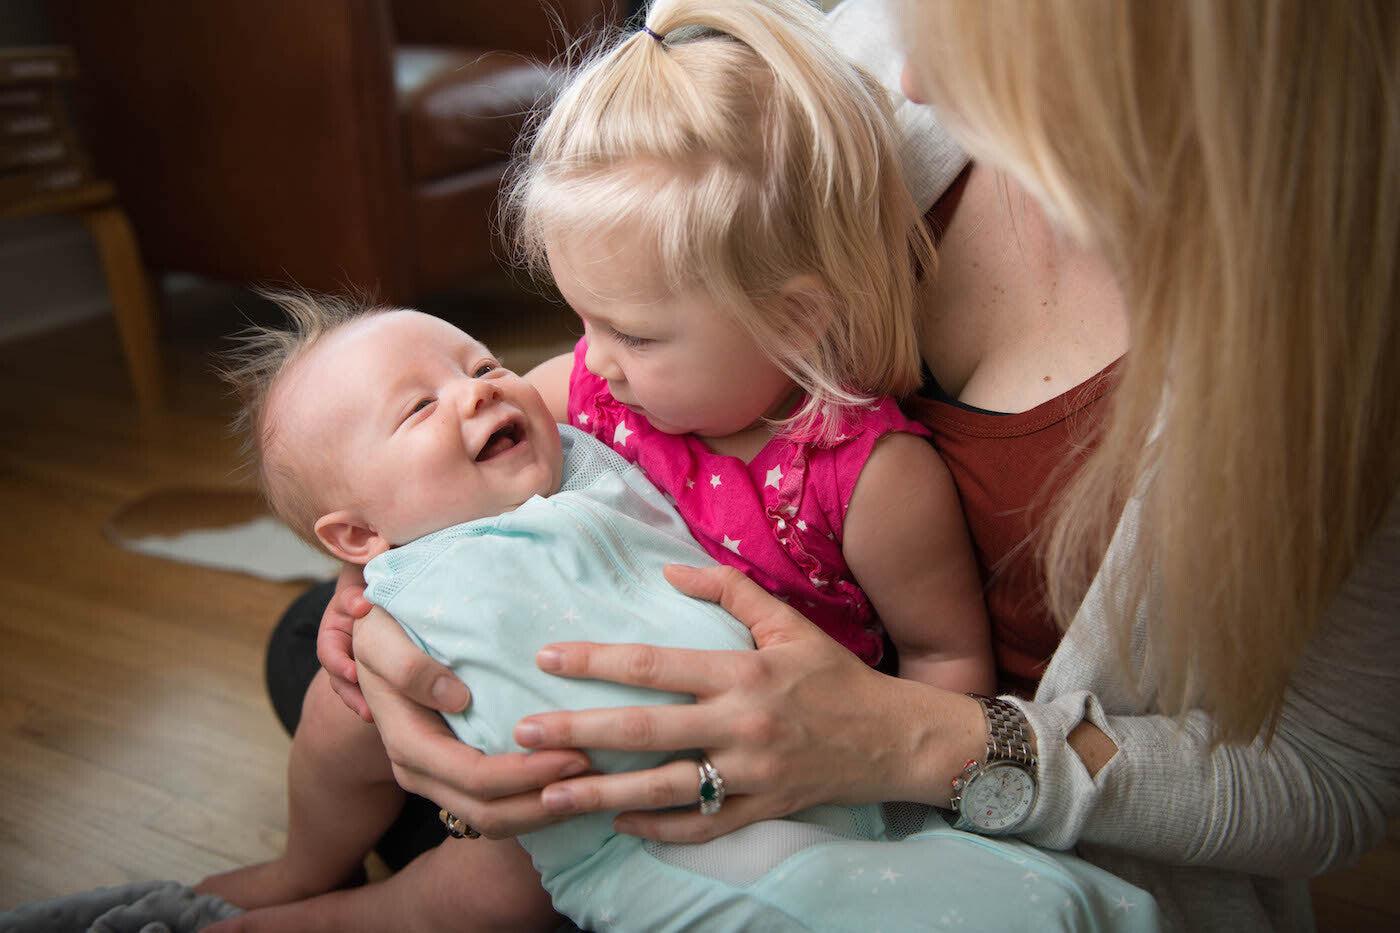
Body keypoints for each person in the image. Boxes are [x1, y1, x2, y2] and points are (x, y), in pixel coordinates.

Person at [298, 0, 1400, 930]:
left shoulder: (1335, 344)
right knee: (311, 659)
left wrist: (902, 752)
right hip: (705, 728)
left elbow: (1326, 780)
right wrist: (386, 603)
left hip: (949, 827)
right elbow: (538, 412)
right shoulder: (814, 113)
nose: (906, 78)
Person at [205, 297, 1158, 932]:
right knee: (319, 667)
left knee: (498, 890)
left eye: (482, 362)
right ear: (357, 528)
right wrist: (368, 603)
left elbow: (940, 664)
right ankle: (308, 873)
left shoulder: (848, 472)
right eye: (422, 406)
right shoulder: (579, 402)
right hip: (514, 753)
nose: (487, 385)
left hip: (679, 788)